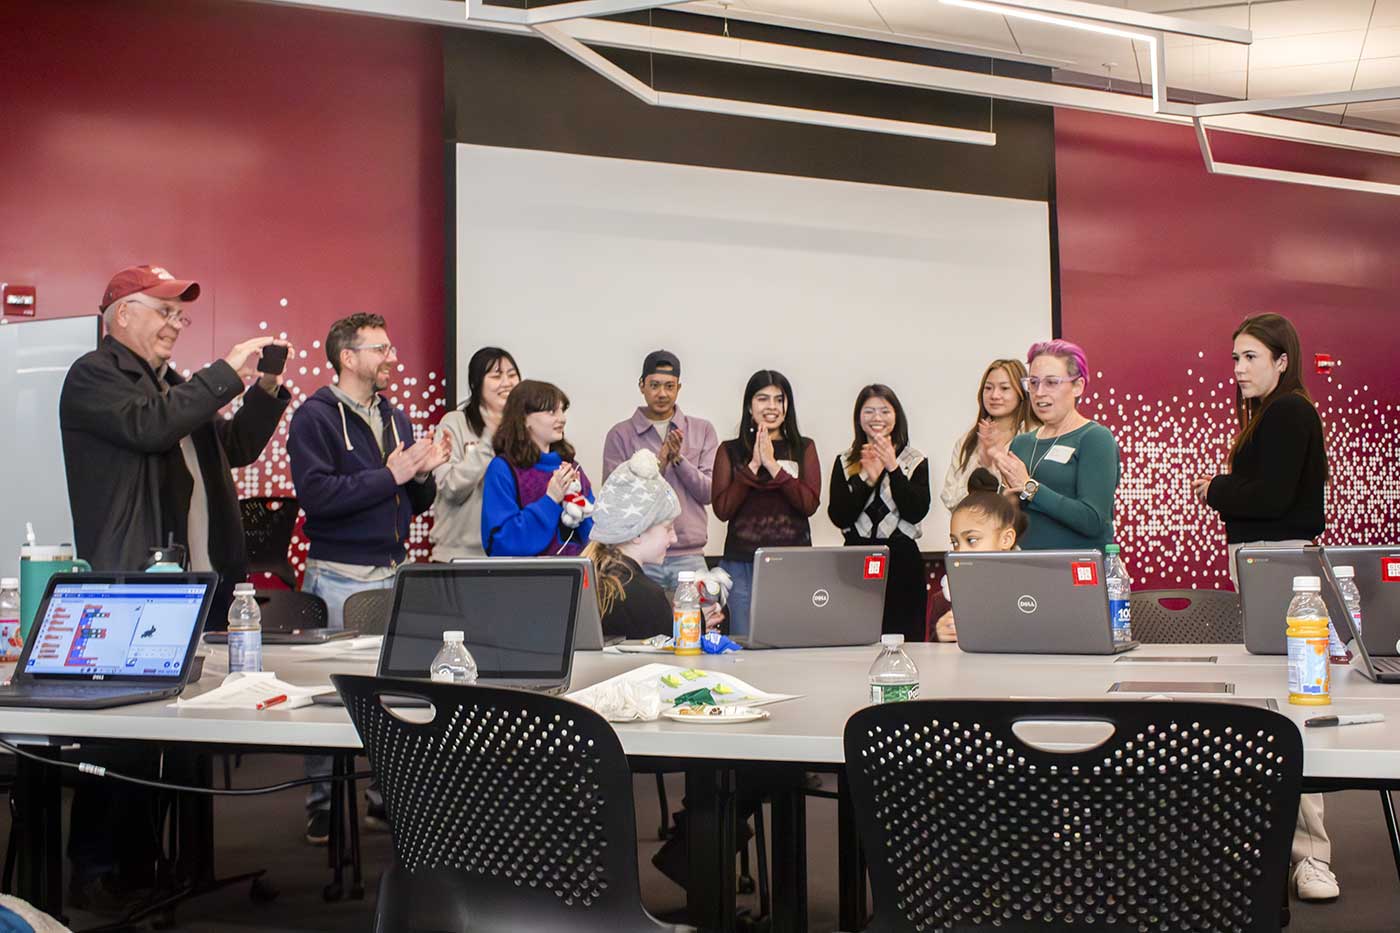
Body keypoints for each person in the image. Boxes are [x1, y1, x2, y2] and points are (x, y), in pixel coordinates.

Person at [57, 264, 292, 910]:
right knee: (124, 734)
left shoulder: (176, 387)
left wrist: (265, 388)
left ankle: (153, 863)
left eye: (179, 316)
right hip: (140, 583)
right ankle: (96, 867)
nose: (174, 325)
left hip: (201, 584)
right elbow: (148, 428)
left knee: (175, 734)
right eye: (163, 312)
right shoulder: (95, 376)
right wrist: (222, 373)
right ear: (120, 315)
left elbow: (234, 447)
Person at [286, 312, 449, 845]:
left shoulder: (396, 418)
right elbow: (319, 497)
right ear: (347, 357)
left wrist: (420, 476)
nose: (391, 358)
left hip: (394, 571)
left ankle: (385, 797)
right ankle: (322, 804)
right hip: (339, 575)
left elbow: (410, 500)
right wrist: (393, 474)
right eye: (380, 349)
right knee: (327, 697)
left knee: (393, 694)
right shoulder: (314, 417)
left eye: (390, 347)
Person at [1190, 312, 1334, 903]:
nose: (1239, 369)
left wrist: (1215, 489)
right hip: (1263, 562)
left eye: (1251, 357)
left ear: (1281, 361)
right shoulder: (1269, 415)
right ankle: (1278, 849)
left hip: (1281, 567)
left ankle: (1311, 857)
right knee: (1271, 705)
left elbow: (1275, 500)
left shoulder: (1289, 411)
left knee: (1292, 704)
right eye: (1234, 358)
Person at [711, 370, 820, 638]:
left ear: (787, 406)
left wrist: (772, 465)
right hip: (741, 564)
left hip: (793, 564)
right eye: (762, 399)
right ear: (750, 405)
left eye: (778, 399)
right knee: (744, 641)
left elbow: (809, 504)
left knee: (792, 639)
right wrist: (753, 466)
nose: (771, 406)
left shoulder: (803, 447)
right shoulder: (730, 450)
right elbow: (722, 510)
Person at [601, 350, 718, 592]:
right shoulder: (620, 435)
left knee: (696, 626)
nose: (662, 393)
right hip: (638, 555)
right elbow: (617, 501)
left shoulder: (702, 430)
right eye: (654, 385)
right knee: (642, 629)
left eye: (669, 386)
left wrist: (678, 461)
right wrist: (660, 462)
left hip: (690, 555)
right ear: (641, 385)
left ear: (679, 387)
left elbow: (709, 492)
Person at [990, 340, 1120, 551]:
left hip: (1078, 571)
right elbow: (1016, 517)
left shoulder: (1095, 438)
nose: (1039, 392)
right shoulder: (1022, 442)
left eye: (1051, 382)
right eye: (1033, 382)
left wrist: (1029, 488)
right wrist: (1005, 501)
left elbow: (1093, 520)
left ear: (1078, 386)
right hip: (1027, 569)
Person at [583, 449, 724, 639]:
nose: (674, 538)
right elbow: (670, 660)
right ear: (637, 532)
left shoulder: (596, 582)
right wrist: (696, 629)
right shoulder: (645, 595)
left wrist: (687, 619)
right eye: (668, 528)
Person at [827, 385, 931, 642]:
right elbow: (840, 515)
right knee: (855, 639)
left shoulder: (914, 460)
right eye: (869, 411)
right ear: (859, 417)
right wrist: (867, 479)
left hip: (902, 561)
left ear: (897, 416)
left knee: (904, 639)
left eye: (885, 411)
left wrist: (893, 468)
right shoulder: (846, 461)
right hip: (856, 559)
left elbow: (915, 511)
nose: (877, 418)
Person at [481, 380, 594, 557]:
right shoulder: (502, 469)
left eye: (562, 410)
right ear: (524, 418)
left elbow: (594, 536)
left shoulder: (571, 467)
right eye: (551, 412)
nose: (562, 419)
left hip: (575, 576)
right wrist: (551, 500)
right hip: (525, 580)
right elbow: (500, 543)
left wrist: (578, 505)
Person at [429, 347, 520, 561]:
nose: (507, 382)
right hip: (457, 557)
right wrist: (489, 440)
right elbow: (450, 489)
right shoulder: (454, 423)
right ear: (476, 383)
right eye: (496, 376)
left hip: (512, 557)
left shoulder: (527, 427)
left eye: (512, 375)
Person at [932, 468, 1027, 642]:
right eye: (955, 543)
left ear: (1006, 539)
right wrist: (939, 638)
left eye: (972, 540)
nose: (960, 551)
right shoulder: (943, 599)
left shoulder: (1028, 595)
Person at [940, 358, 1038, 510]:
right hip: (974, 527)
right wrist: (983, 468)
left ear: (1021, 393)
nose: (994, 395)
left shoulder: (1035, 436)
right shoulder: (967, 441)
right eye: (988, 388)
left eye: (1004, 388)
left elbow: (1034, 496)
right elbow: (949, 498)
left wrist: (996, 464)